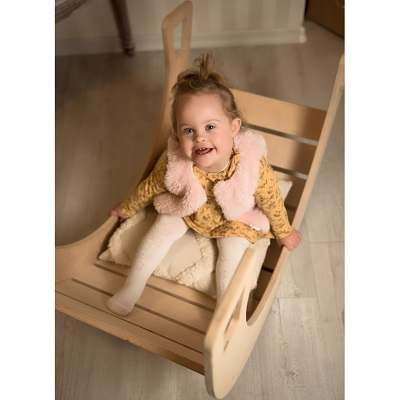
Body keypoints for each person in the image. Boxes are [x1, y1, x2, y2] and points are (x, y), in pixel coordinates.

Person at [106, 53, 301, 316]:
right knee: (160, 229)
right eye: (189, 130)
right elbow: (150, 187)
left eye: (210, 127)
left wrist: (284, 232)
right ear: (178, 134)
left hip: (234, 216)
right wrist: (128, 208)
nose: (199, 137)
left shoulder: (252, 167)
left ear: (234, 128)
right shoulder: (175, 163)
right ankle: (132, 287)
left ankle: (224, 313)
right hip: (190, 207)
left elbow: (272, 199)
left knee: (231, 250)